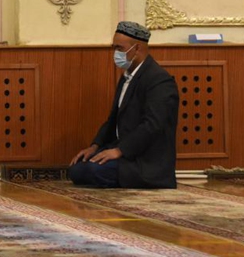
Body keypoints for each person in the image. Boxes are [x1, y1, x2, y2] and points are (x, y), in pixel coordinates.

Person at [68, 21, 179, 189]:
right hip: (123, 152)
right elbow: (113, 119)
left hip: (144, 161)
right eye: (114, 48)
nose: (115, 53)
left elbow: (152, 126)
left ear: (137, 49)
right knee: (76, 169)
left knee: (91, 170)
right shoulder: (127, 76)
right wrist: (94, 146)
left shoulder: (159, 80)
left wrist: (120, 151)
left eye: (119, 48)